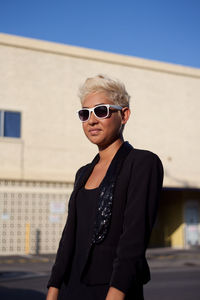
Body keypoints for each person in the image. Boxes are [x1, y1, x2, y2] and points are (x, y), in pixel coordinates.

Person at [46, 74, 164, 300]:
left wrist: (116, 294)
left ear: (124, 115)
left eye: (101, 111)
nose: (91, 120)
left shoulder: (142, 163)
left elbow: (134, 239)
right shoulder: (83, 173)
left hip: (112, 290)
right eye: (84, 113)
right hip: (71, 289)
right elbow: (69, 237)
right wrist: (53, 290)